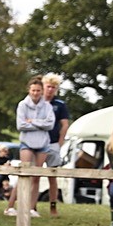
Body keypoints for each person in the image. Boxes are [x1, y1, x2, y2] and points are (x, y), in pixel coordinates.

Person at [5, 76, 54, 218]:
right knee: (23, 174)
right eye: (33, 90)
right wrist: (40, 124)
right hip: (27, 143)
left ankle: (32, 208)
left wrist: (32, 121)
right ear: (29, 90)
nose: (36, 93)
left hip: (43, 144)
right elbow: (21, 125)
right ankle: (10, 206)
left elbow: (50, 124)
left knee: (36, 177)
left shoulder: (47, 106)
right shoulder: (22, 105)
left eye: (38, 90)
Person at [41, 73, 71, 217]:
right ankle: (31, 205)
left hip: (53, 143)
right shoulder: (37, 102)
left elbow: (64, 124)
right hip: (38, 143)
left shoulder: (60, 105)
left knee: (52, 176)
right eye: (48, 86)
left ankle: (53, 205)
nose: (50, 90)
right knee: (33, 175)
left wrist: (60, 142)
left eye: (53, 87)